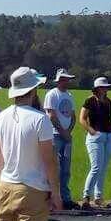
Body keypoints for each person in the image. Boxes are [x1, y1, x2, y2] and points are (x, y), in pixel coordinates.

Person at [0, 67, 61, 221]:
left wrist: (3, 180)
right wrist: (55, 192)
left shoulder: (1, 117)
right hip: (33, 188)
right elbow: (49, 160)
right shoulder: (40, 119)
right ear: (33, 90)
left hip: (6, 184)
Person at [79, 77, 111, 209]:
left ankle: (98, 197)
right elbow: (82, 118)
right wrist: (91, 130)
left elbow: (108, 118)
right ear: (97, 88)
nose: (105, 89)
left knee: (103, 168)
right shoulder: (89, 101)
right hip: (96, 136)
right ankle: (86, 196)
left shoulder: (108, 102)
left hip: (109, 135)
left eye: (106, 87)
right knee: (96, 167)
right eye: (103, 87)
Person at [43, 68, 78, 209]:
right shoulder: (52, 94)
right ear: (59, 80)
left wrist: (68, 132)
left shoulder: (69, 95)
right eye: (64, 79)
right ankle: (50, 197)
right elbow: (51, 115)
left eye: (67, 79)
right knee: (53, 167)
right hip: (55, 135)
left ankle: (65, 197)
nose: (67, 81)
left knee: (65, 169)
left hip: (66, 136)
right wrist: (63, 132)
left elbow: (73, 116)